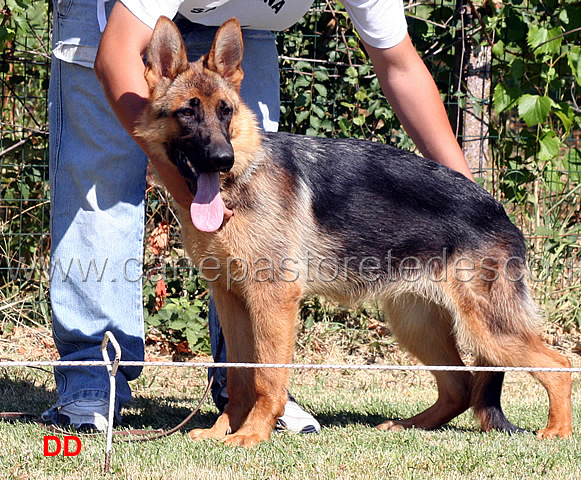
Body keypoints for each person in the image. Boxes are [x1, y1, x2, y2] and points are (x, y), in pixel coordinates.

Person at [43, 0, 473, 433]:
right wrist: (189, 191)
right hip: (114, 25)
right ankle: (92, 382)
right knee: (99, 188)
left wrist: (469, 202)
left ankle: (248, 397)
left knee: (256, 227)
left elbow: (400, 65)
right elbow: (115, 54)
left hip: (243, 25)